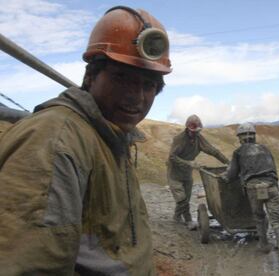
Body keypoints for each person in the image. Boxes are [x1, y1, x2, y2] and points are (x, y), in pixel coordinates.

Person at [0, 6, 171, 275]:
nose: (136, 96)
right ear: (90, 76)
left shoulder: (111, 136)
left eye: (148, 85)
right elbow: (32, 265)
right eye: (121, 78)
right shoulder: (56, 140)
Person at [220, 122, 279, 270]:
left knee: (259, 216)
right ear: (253, 135)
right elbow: (273, 168)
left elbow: (232, 174)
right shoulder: (265, 148)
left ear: (240, 137)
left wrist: (224, 177)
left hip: (253, 188)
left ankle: (264, 244)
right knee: (277, 219)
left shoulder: (238, 152)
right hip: (271, 185)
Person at [167, 114, 229, 230]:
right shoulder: (179, 139)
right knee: (181, 198)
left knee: (186, 198)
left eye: (197, 132)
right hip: (174, 173)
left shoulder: (198, 139)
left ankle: (176, 217)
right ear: (187, 129)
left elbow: (213, 151)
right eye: (193, 132)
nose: (195, 134)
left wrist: (228, 163)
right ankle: (189, 220)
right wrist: (189, 163)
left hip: (186, 174)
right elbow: (172, 157)